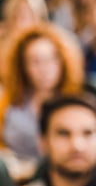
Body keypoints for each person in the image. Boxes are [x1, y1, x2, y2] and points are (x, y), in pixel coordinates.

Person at [0, 23, 83, 160]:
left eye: (51, 59)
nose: (44, 69)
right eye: (35, 61)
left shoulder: (76, 103)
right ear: (23, 66)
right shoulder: (9, 100)